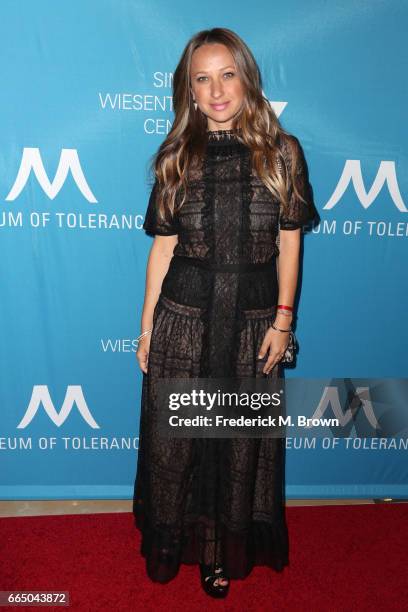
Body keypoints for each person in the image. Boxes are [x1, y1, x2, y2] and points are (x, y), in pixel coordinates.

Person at [133, 27, 317, 598]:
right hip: (184, 318)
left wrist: (283, 323)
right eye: (202, 79)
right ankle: (180, 542)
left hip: (253, 322)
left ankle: (218, 553)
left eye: (226, 75)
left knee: (236, 446)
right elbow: (162, 248)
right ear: (188, 91)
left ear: (247, 78)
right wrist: (145, 330)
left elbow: (291, 241)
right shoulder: (175, 156)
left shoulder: (283, 152)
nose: (216, 91)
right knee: (182, 445)